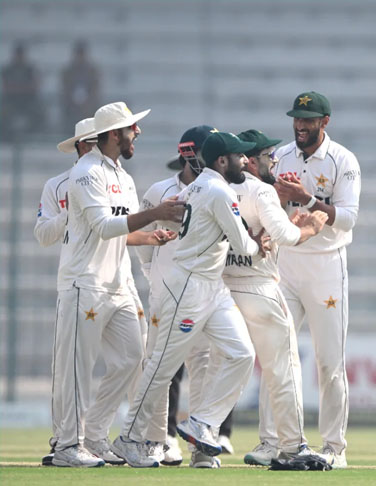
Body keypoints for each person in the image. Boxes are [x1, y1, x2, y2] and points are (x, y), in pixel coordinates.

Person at [113, 132, 263, 468]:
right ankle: (128, 438)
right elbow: (242, 245)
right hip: (188, 288)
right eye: (238, 156)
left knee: (242, 353)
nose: (245, 161)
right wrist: (258, 243)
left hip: (211, 287)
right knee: (162, 367)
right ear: (221, 160)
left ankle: (202, 423)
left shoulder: (197, 187)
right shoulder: (217, 190)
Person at [51, 102, 182, 467]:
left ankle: (93, 436)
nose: (136, 132)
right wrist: (155, 212)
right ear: (112, 135)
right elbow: (104, 227)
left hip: (118, 283)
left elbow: (120, 233)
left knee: (132, 358)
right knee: (79, 366)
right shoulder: (85, 172)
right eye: (131, 129)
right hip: (85, 283)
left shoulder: (123, 176)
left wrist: (149, 236)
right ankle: (66, 446)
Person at [261, 91, 361, 469]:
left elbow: (348, 217)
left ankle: (335, 448)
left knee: (328, 362)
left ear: (325, 122)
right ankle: (275, 442)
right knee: (277, 354)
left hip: (326, 265)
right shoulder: (281, 156)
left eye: (309, 120)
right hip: (287, 262)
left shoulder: (343, 161)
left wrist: (308, 200)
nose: (300, 126)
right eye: (297, 119)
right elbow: (271, 205)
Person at [224, 129, 328, 466]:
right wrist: (309, 227)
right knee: (284, 368)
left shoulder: (219, 188)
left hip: (222, 289)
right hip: (260, 288)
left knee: (211, 365)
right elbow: (285, 236)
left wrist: (284, 223)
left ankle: (202, 441)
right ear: (251, 161)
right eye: (269, 156)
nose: (275, 161)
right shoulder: (261, 189)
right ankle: (292, 446)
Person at [136, 125, 219, 468]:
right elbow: (144, 244)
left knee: (202, 367)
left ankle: (200, 446)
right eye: (207, 153)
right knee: (160, 368)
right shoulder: (160, 191)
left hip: (202, 295)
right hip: (165, 297)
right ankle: (159, 440)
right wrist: (156, 280)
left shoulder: (219, 190)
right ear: (189, 153)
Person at [36, 117, 97, 466]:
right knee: (67, 364)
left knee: (130, 359)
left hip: (110, 283)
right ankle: (64, 439)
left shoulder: (114, 179)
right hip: (74, 281)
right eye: (91, 141)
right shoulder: (58, 185)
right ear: (80, 145)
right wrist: (68, 214)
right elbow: (43, 235)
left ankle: (95, 436)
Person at [1, 41, 44, 141]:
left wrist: (19, 88)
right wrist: (23, 88)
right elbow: (6, 86)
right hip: (11, 100)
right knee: (4, 113)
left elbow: (35, 85)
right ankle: (6, 138)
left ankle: (33, 137)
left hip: (28, 100)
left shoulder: (30, 69)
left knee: (39, 112)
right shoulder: (8, 69)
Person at [60, 40, 100, 133]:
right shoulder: (68, 71)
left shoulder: (92, 71)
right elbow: (65, 89)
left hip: (89, 105)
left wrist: (87, 103)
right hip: (71, 105)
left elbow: (95, 89)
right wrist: (73, 102)